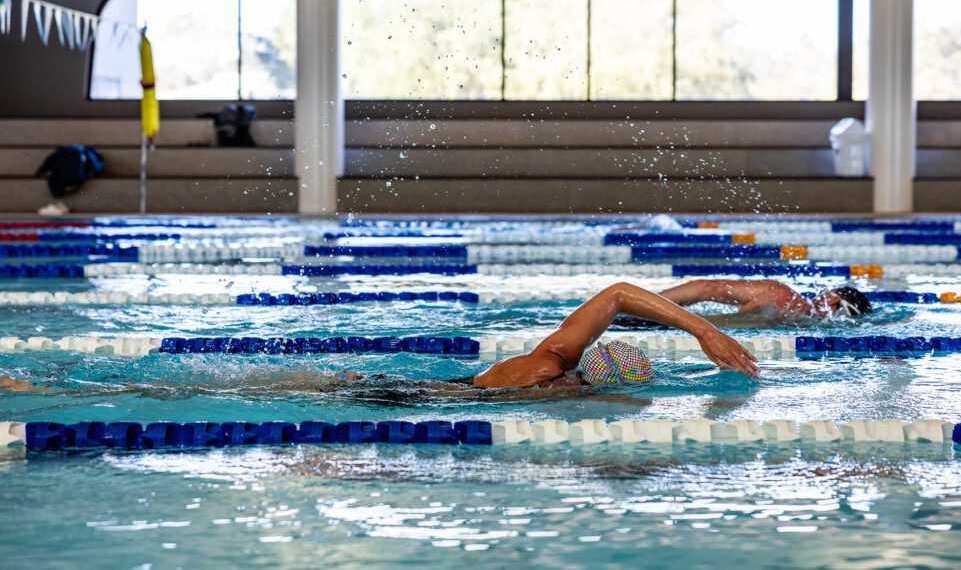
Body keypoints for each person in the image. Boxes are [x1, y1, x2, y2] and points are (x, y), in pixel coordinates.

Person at [1, 282, 758, 403]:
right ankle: (49, 388)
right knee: (207, 391)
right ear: (606, 380)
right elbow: (621, 293)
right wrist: (703, 325)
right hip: (401, 394)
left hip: (413, 389)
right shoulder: (551, 366)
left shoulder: (565, 369)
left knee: (215, 388)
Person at [655, 278, 873, 325]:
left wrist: (651, 304)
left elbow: (708, 289)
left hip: (681, 324)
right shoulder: (813, 328)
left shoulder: (781, 294)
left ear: (833, 298)